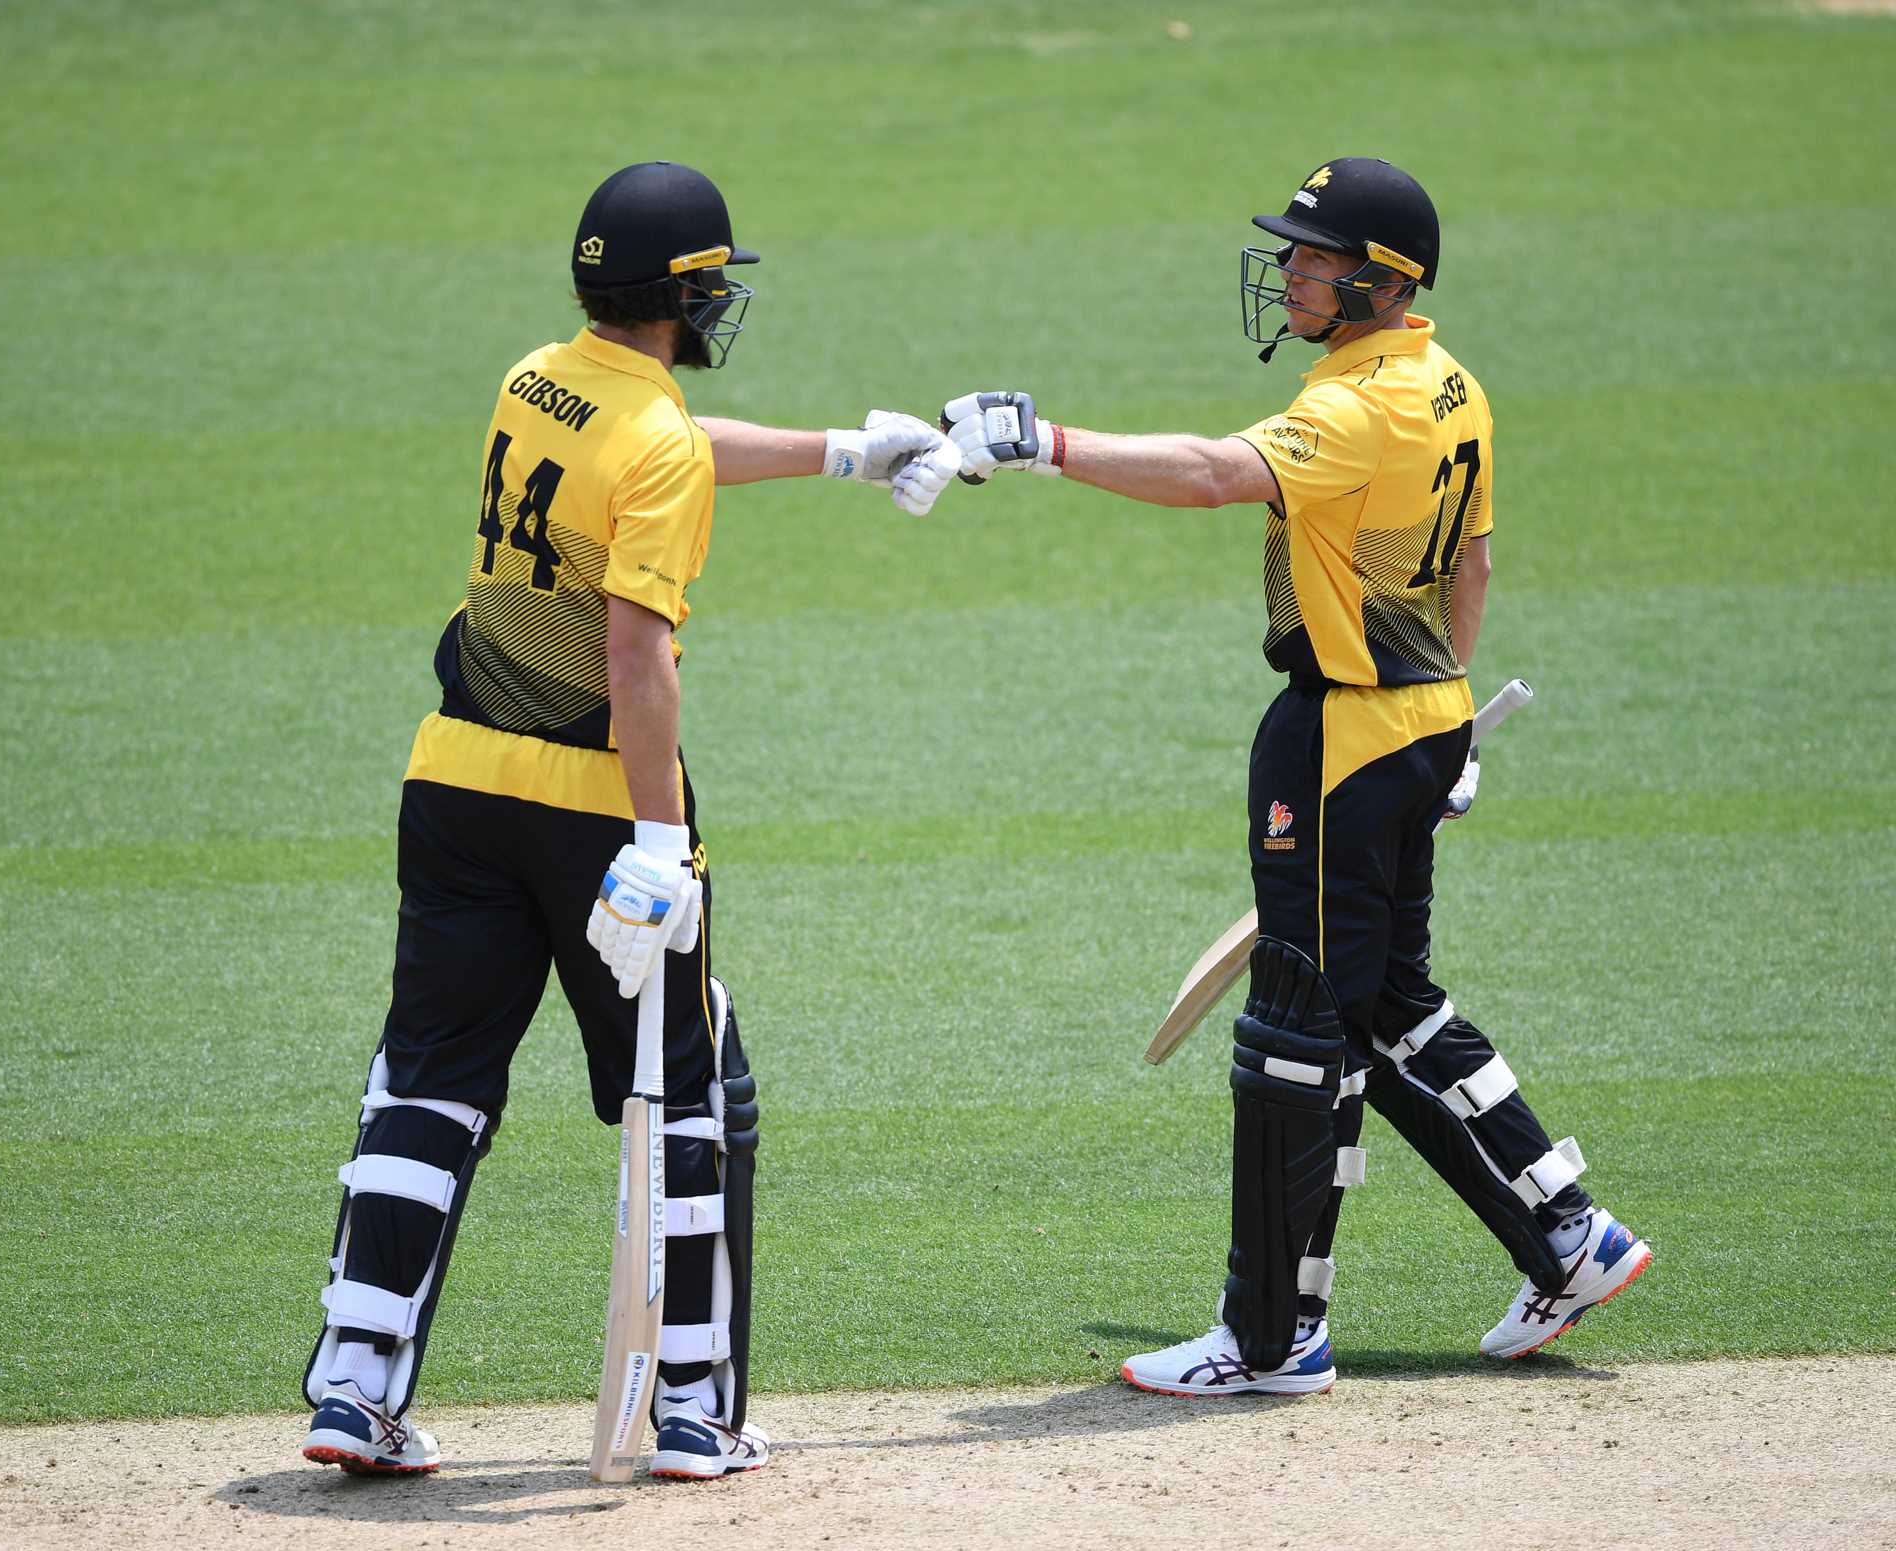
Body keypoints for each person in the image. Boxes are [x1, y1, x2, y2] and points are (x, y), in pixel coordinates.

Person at [939, 157, 1649, 1396]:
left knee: (1294, 1026)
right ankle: (1566, 1233)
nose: (1286, 274)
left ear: (1377, 279)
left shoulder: (1357, 407)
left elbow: (1215, 475)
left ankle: (1271, 1338)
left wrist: (1042, 443)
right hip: (1419, 719)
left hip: (1338, 744)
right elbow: (1470, 564)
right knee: (1386, 1007)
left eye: (1310, 258)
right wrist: (1451, 723)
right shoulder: (1454, 385)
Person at [298, 160, 962, 1479]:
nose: (724, 298)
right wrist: (659, 843)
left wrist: (845, 450)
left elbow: (657, 451)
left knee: (427, 1075)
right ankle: (692, 1409)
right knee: (693, 1093)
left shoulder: (535, 374)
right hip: (594, 810)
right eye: (716, 280)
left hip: (453, 782)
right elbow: (636, 655)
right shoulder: (655, 439)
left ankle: (351, 1382)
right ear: (685, 292)